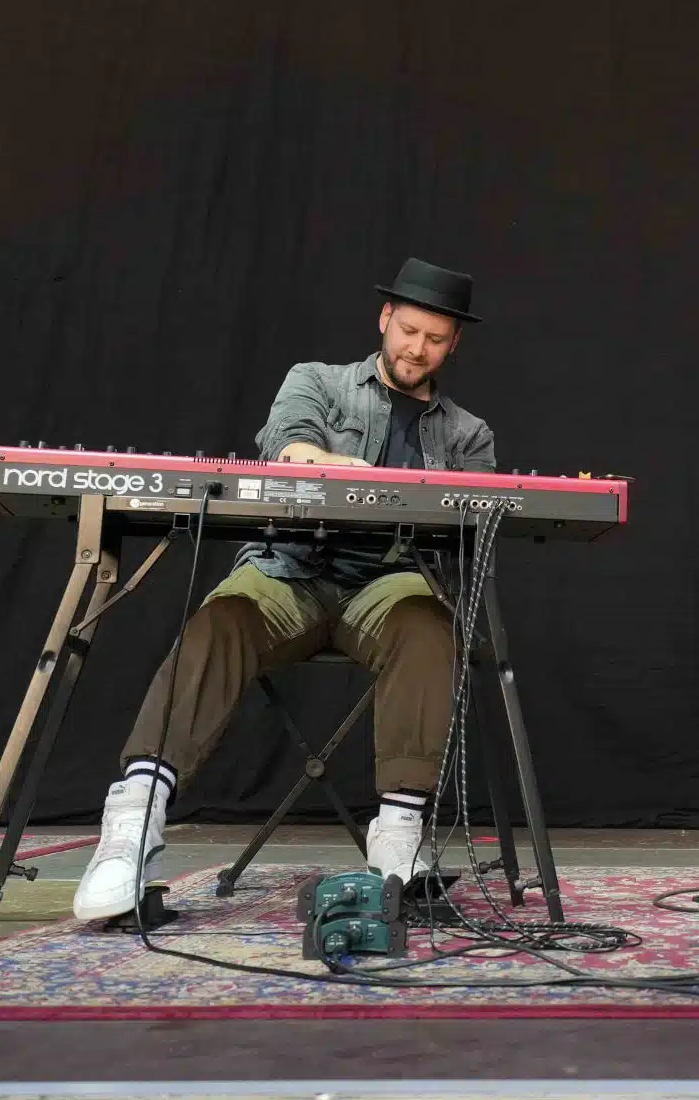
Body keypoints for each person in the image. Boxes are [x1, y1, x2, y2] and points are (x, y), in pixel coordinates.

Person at [73, 257, 494, 921]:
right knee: (221, 620)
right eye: (409, 331)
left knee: (428, 627)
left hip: (388, 584)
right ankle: (131, 826)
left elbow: (472, 538)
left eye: (435, 339)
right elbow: (287, 445)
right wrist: (331, 466)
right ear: (385, 318)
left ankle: (400, 832)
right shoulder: (318, 382)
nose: (418, 348)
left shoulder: (468, 435)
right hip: (288, 571)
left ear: (454, 344)